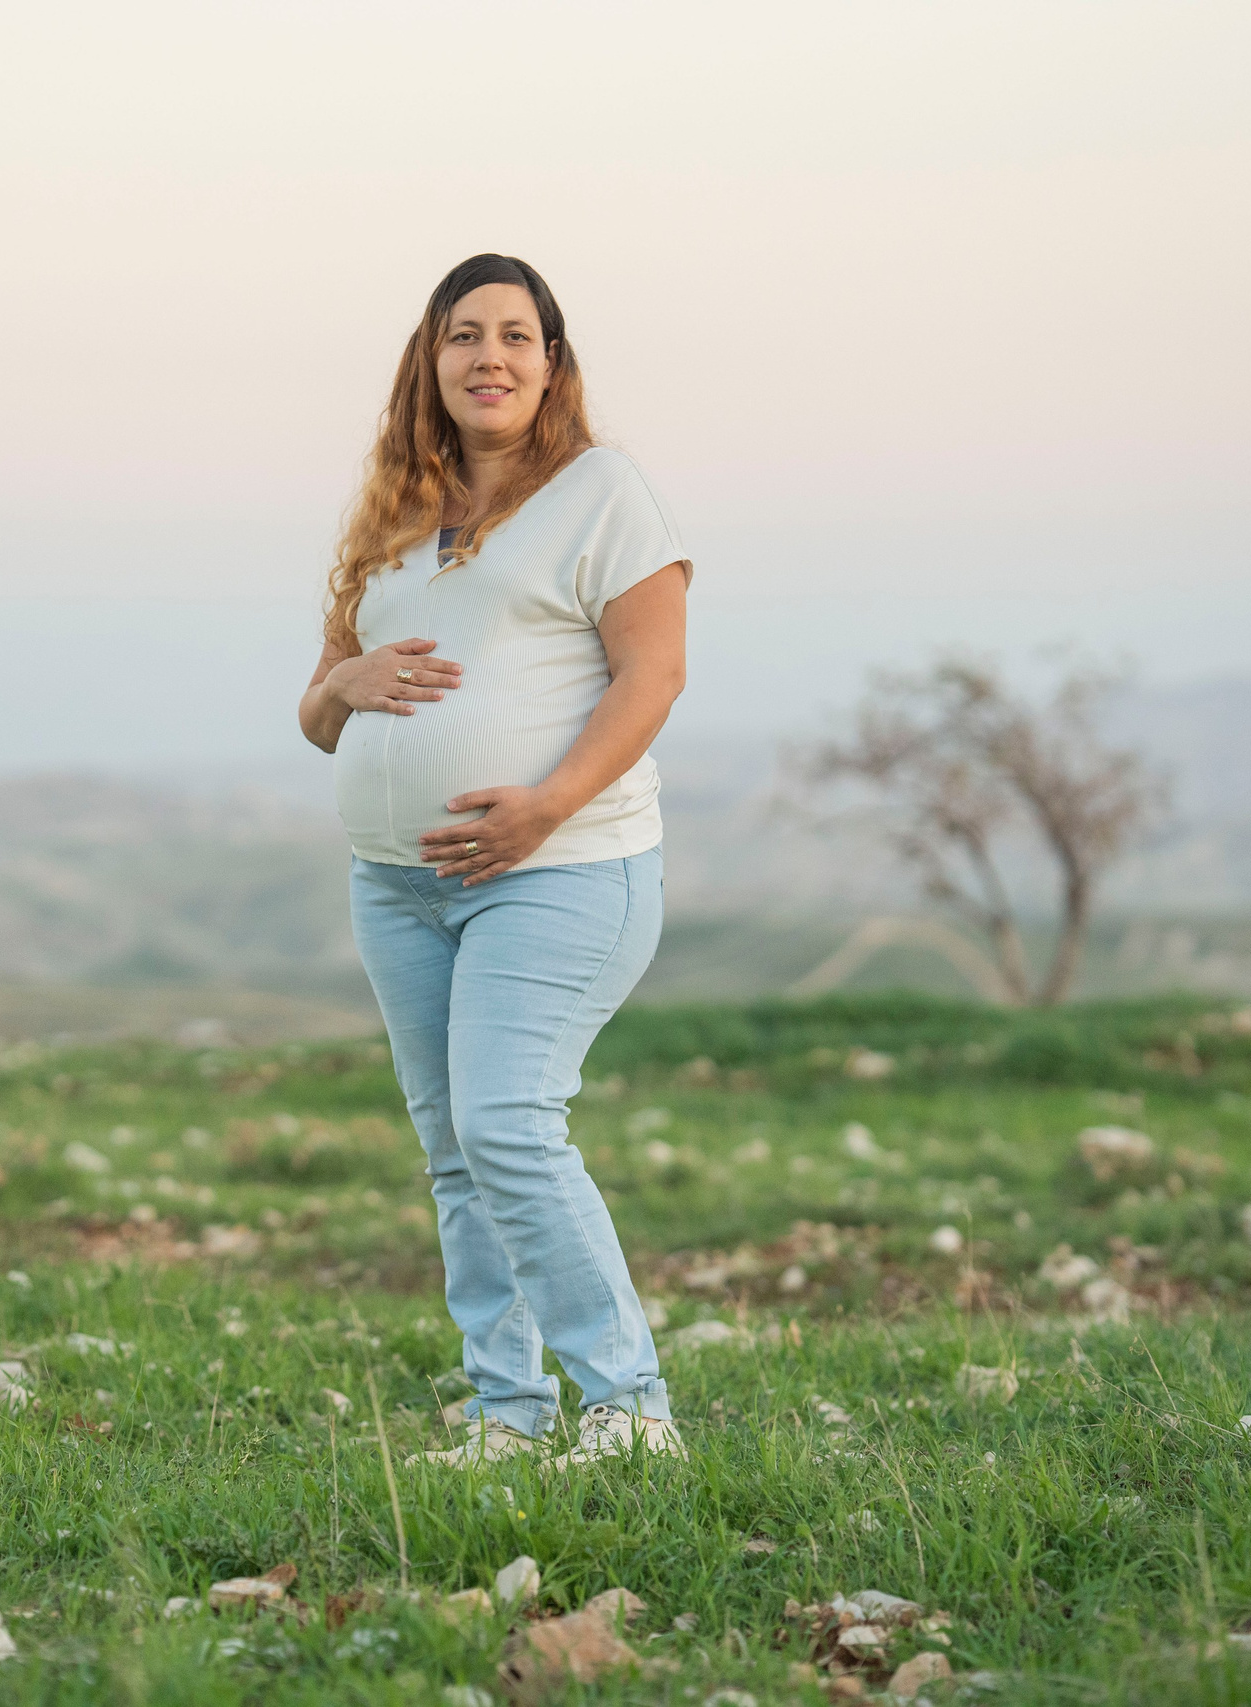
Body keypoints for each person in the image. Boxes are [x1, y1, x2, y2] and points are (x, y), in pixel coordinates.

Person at [297, 253, 692, 1468]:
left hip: (557, 871)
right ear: (431, 360)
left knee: (510, 1124)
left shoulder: (600, 492)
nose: (490, 358)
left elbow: (653, 675)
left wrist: (543, 809)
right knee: (458, 1152)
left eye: (517, 337)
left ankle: (629, 1412)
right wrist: (346, 685)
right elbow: (318, 714)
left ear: (552, 363)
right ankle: (509, 1416)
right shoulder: (389, 517)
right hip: (398, 887)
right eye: (464, 335)